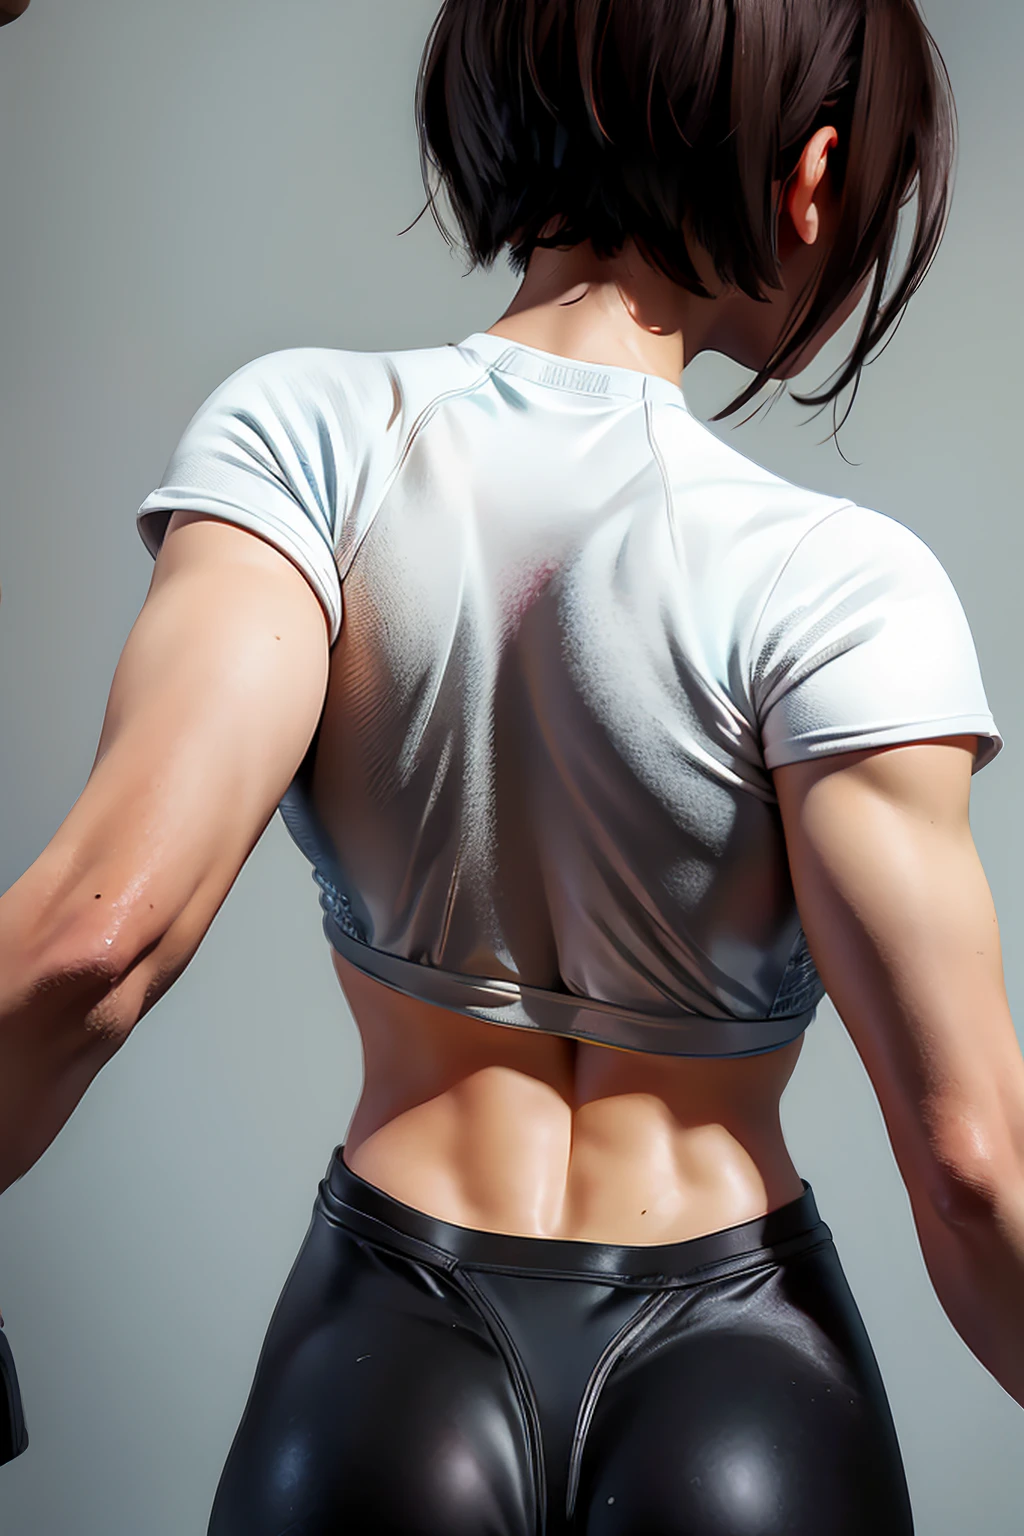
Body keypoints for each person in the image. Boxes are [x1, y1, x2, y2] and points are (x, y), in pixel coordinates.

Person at [2, 0, 1023, 1528]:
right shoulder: (847, 582)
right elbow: (973, 1168)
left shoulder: (308, 438)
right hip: (745, 1381)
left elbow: (95, 932)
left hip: (383, 1356)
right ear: (814, 182)